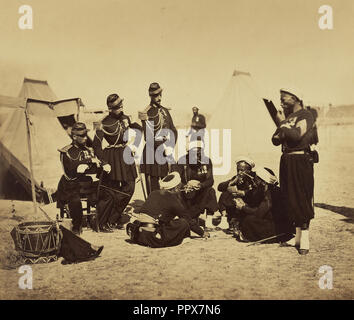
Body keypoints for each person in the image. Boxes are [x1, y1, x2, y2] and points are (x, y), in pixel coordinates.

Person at [272, 87, 316, 255]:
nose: (281, 101)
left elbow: (296, 135)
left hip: (300, 159)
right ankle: (297, 237)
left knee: (301, 196)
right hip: (286, 159)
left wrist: (282, 124)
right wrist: (283, 127)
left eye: (285, 98)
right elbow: (275, 139)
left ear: (296, 98)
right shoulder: (288, 117)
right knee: (290, 196)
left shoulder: (306, 115)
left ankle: (305, 238)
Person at [93, 93, 142, 232]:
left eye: (121, 105)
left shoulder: (126, 118)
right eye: (117, 107)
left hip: (126, 154)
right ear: (110, 108)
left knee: (130, 188)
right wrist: (104, 162)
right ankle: (103, 223)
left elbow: (139, 130)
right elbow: (96, 145)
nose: (121, 108)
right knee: (109, 192)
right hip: (111, 157)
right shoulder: (103, 123)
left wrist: (135, 144)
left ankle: (114, 218)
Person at [126, 172, 210, 248]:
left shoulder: (153, 193)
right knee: (183, 223)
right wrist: (202, 232)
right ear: (176, 188)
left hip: (139, 235)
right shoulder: (173, 199)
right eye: (179, 186)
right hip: (153, 237)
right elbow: (188, 220)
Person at [56, 122, 101, 234]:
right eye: (82, 136)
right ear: (75, 137)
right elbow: (69, 172)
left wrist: (93, 164)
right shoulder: (66, 152)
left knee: (105, 189)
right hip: (69, 183)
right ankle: (77, 225)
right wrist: (84, 164)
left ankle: (103, 222)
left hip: (84, 184)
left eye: (86, 135)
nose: (85, 138)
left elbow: (94, 169)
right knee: (74, 200)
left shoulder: (87, 150)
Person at [138, 82, 178, 195]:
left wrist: (170, 146)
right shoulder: (146, 112)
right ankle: (153, 209)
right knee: (153, 185)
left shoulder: (165, 111)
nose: (159, 98)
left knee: (167, 182)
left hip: (165, 150)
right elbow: (149, 137)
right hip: (152, 152)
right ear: (150, 96)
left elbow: (173, 130)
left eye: (160, 94)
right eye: (156, 95)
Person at [236, 167, 292, 242]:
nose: (254, 181)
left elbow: (259, 214)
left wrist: (243, 207)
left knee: (249, 220)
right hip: (277, 224)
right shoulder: (268, 190)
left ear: (263, 182)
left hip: (279, 227)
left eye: (256, 179)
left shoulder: (271, 193)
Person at [172, 140, 218, 230]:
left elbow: (210, 180)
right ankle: (189, 217)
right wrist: (184, 186)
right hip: (186, 193)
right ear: (188, 153)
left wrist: (201, 185)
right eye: (194, 154)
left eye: (199, 154)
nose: (197, 157)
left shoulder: (206, 161)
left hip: (200, 191)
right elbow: (175, 179)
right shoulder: (182, 161)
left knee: (210, 191)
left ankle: (208, 220)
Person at [217, 156, 263, 233]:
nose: (239, 173)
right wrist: (232, 182)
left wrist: (244, 193)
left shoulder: (255, 178)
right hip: (238, 204)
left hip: (251, 204)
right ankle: (224, 218)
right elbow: (220, 187)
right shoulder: (237, 177)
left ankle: (236, 222)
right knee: (225, 193)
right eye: (238, 170)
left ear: (249, 170)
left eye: (242, 170)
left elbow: (259, 191)